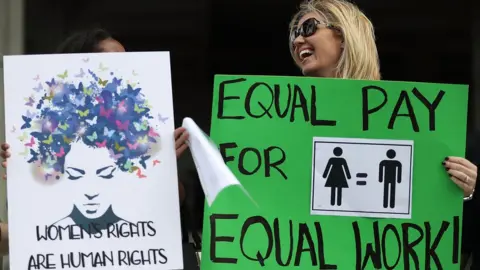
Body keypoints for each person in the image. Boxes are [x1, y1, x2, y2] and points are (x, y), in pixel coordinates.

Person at [289, 0, 477, 267]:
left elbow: (441, 234)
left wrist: (467, 193)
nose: (298, 41)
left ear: (344, 35)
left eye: (308, 28)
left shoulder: (411, 122)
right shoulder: (283, 125)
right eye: (294, 34)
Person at [1, 28, 204, 268]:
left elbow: (170, 209)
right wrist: (22, 181)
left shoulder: (138, 134)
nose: (125, 70)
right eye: (113, 62)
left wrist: (163, 170)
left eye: (105, 172)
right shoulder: (51, 143)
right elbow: (20, 237)